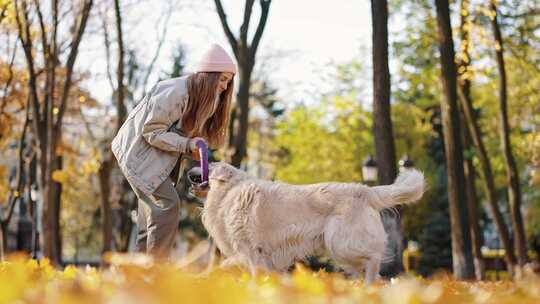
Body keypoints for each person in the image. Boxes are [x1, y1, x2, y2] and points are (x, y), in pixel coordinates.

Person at [111, 44, 236, 260]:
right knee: (168, 205)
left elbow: (174, 135)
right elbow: (151, 131)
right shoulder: (177, 92)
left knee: (147, 222)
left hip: (147, 158)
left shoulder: (198, 97)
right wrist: (187, 145)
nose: (225, 86)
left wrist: (192, 146)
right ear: (208, 76)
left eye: (228, 81)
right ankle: (157, 272)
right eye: (222, 79)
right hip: (136, 155)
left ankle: (139, 276)